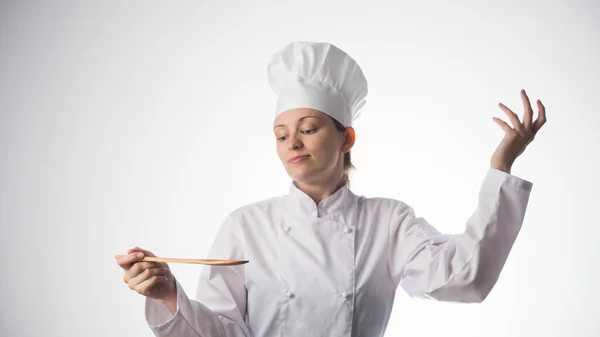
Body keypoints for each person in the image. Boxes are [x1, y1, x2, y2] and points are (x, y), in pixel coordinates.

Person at [115, 41, 547, 337]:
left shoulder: (388, 221)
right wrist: (168, 293)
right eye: (281, 135)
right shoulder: (246, 225)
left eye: (307, 128)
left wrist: (501, 165)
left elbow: (465, 278)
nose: (293, 144)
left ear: (346, 139)